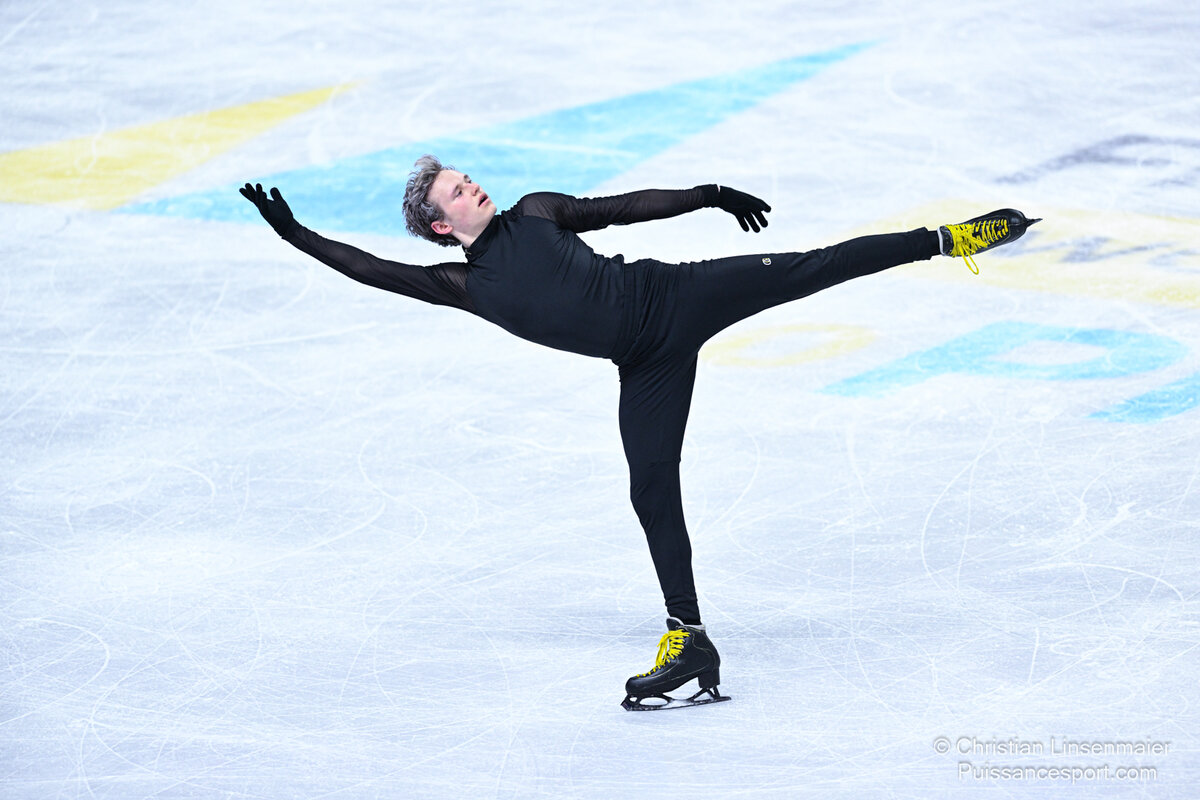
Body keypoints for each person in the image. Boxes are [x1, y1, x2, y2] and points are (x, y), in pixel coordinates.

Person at [240, 156, 1039, 710]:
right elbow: (370, 270)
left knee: (813, 265)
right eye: (457, 190)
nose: (472, 185)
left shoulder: (535, 212)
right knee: (650, 490)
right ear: (441, 225)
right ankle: (689, 640)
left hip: (676, 297)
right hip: (646, 364)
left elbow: (623, 208)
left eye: (467, 177)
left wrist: (706, 194)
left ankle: (950, 238)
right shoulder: (462, 285)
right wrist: (296, 234)